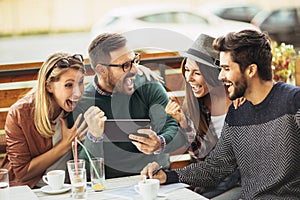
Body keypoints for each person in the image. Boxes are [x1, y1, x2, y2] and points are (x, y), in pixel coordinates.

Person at [141, 29, 300, 199]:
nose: (221, 76)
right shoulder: (237, 113)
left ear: (251, 70)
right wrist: (168, 176)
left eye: (226, 69)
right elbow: (215, 167)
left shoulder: (293, 102)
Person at [67, 33, 179, 179]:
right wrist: (94, 136)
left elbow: (171, 124)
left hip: (152, 179)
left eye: (134, 61)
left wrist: (160, 143)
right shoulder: (83, 103)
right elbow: (84, 171)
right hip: (109, 185)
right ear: (101, 70)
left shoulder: (148, 85)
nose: (134, 70)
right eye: (125, 65)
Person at [1, 52, 107, 188]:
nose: (78, 93)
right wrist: (65, 145)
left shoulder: (80, 108)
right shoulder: (20, 114)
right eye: (68, 85)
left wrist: (94, 136)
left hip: (69, 189)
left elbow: (85, 167)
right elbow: (22, 173)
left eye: (80, 82)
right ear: (49, 86)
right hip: (33, 190)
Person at [165, 33, 241, 198]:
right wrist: (184, 123)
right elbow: (205, 158)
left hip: (239, 183)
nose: (188, 78)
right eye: (186, 70)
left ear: (214, 73)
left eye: (196, 72)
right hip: (210, 183)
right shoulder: (196, 106)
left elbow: (230, 163)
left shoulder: (239, 101)